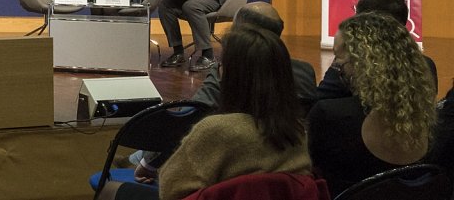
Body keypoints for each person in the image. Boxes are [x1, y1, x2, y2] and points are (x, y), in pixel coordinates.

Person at [99, 25, 313, 200]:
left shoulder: (215, 130)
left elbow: (171, 188)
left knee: (110, 190)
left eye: (221, 66)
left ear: (232, 77)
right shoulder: (298, 132)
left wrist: (153, 170)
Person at [130, 2, 318, 185]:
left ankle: (136, 157)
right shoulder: (305, 72)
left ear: (242, 32)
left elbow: (190, 119)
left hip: (226, 169)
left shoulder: (228, 71)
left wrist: (148, 164)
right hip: (282, 177)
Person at [307, 12, 436, 197]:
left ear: (362, 63)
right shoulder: (432, 123)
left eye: (340, 59)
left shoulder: (330, 115)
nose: (337, 66)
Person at [317, 0, 437, 99]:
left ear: (367, 23)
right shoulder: (426, 65)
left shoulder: (349, 63)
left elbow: (320, 99)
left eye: (356, 11)